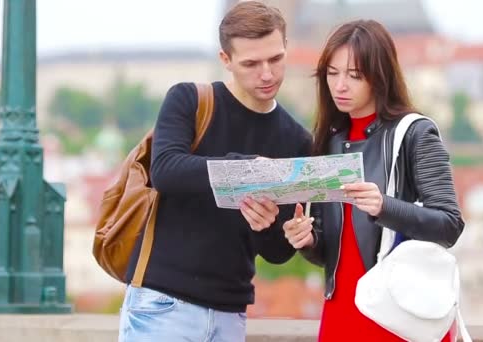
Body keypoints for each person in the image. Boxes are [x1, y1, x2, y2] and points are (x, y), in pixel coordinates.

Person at [118, 2, 312, 341]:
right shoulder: (190, 100)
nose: (266, 74)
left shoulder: (295, 138)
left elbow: (277, 253)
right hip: (164, 303)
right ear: (226, 60)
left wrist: (268, 225)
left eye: (275, 59)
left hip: (230, 311)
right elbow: (166, 170)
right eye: (251, 63)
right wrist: (247, 169)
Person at [282, 19, 465, 341]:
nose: (340, 85)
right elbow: (330, 253)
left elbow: (449, 225)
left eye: (354, 75)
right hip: (340, 313)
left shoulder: (415, 133)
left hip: (397, 313)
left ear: (380, 77)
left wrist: (385, 206)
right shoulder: (328, 141)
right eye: (332, 73)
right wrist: (307, 240)